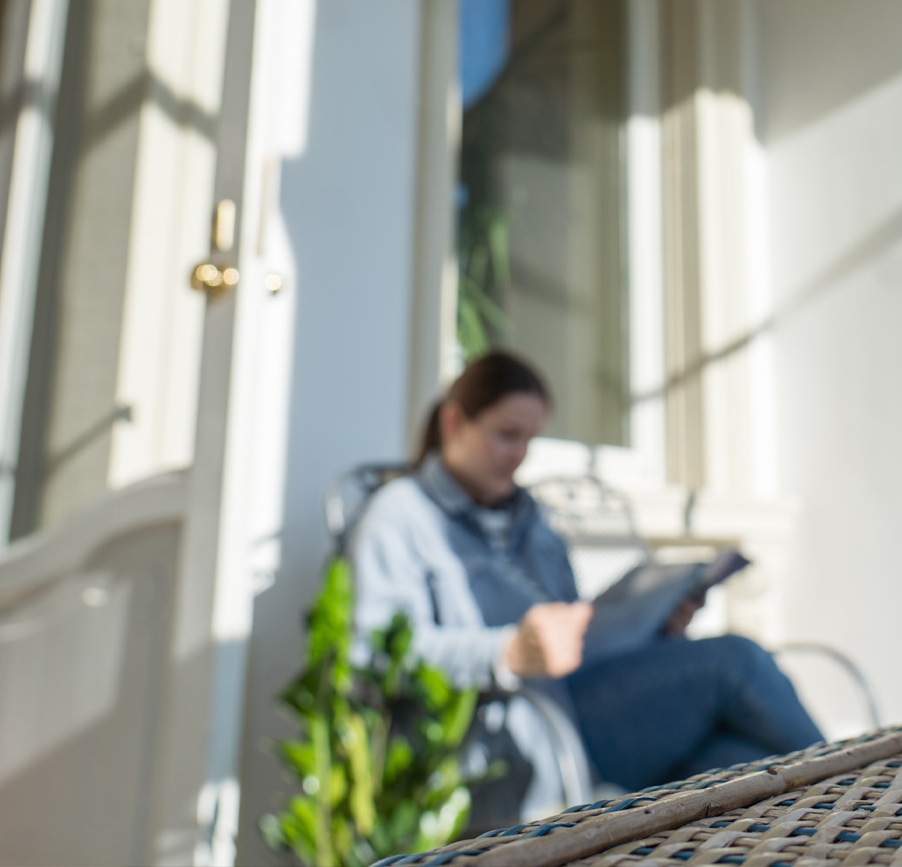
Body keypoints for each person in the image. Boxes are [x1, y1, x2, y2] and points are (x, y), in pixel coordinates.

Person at [347, 350, 823, 826]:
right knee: (736, 661)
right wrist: (505, 653)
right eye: (506, 435)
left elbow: (578, 638)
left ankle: (837, 834)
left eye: (529, 440)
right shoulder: (398, 516)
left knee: (740, 758)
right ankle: (855, 802)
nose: (519, 455)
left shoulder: (532, 521)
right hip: (512, 745)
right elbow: (373, 658)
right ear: (454, 423)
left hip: (578, 710)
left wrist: (652, 629)